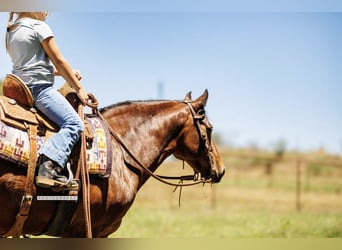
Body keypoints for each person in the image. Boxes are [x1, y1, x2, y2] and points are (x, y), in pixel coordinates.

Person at [5, 12, 88, 189]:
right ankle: (47, 168)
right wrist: (80, 89)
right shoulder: (38, 27)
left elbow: (30, 65)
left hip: (19, 87)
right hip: (39, 89)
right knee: (74, 124)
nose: (46, 11)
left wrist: (67, 73)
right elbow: (58, 60)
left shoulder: (11, 30)